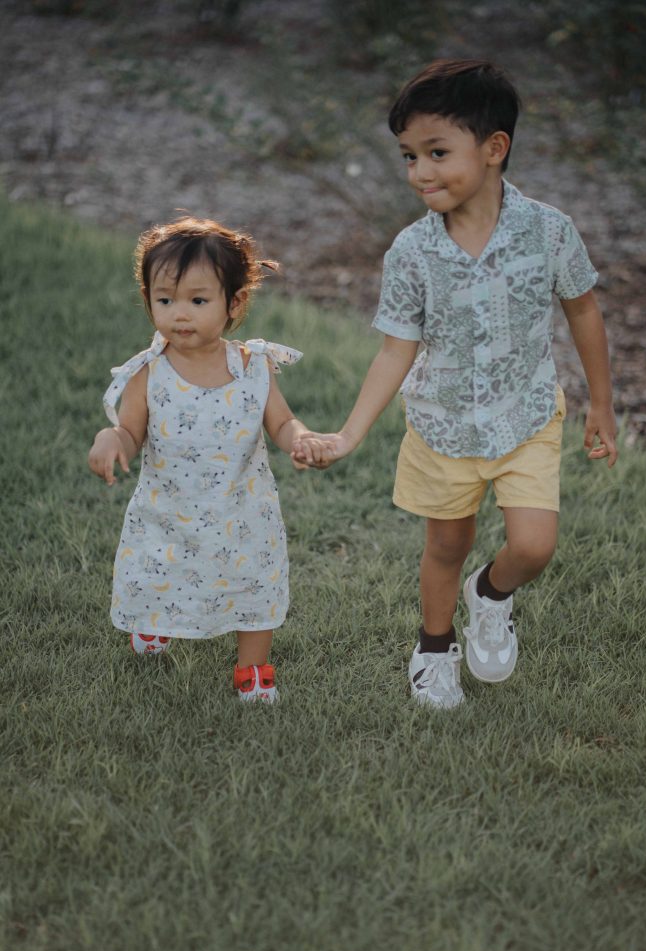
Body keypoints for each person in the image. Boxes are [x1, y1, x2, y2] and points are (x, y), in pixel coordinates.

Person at [294, 58, 618, 709]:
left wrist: (602, 405)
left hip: (526, 413)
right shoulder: (411, 252)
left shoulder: (547, 230)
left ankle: (490, 594)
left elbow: (582, 310)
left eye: (436, 152)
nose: (420, 172)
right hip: (441, 423)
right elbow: (396, 349)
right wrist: (349, 434)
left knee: (534, 546)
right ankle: (434, 648)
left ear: (493, 148)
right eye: (409, 156)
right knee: (446, 544)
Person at [88, 216, 330, 703]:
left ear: (233, 303)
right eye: (165, 300)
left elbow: (281, 422)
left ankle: (253, 668)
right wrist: (111, 438)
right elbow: (131, 432)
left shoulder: (253, 367)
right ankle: (156, 622)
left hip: (243, 513)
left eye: (197, 301)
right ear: (148, 300)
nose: (180, 314)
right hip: (169, 511)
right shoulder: (149, 373)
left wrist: (301, 440)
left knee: (253, 584)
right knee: (161, 575)